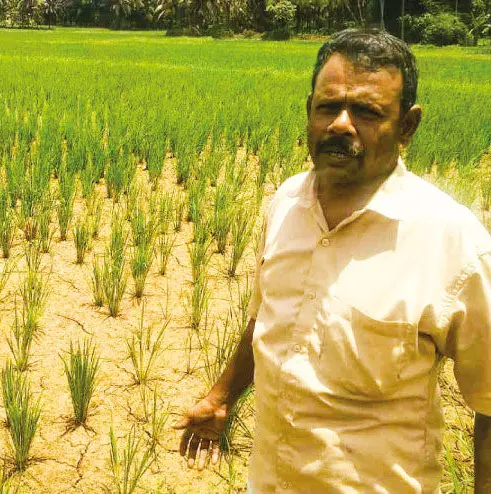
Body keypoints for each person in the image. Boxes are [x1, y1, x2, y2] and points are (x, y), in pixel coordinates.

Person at [173, 28, 491, 493]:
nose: (341, 124)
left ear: (407, 126)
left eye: (366, 112)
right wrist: (221, 397)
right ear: (309, 110)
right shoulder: (285, 203)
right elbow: (266, 318)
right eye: (328, 107)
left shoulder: (453, 242)